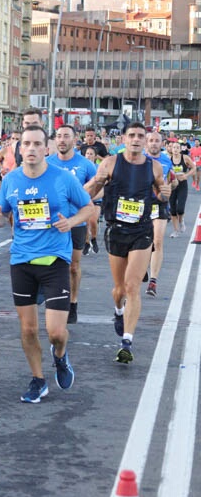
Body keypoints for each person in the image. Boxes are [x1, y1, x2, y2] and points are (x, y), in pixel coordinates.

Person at [0, 125, 93, 403]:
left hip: (55, 261)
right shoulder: (11, 180)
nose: (31, 149)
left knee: (57, 332)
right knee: (29, 330)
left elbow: (89, 207)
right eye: (26, 144)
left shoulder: (62, 178)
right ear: (19, 149)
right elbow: (5, 213)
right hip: (21, 260)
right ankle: (38, 380)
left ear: (46, 148)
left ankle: (60, 356)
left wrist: (70, 222)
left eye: (37, 144)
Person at [84, 123, 170, 365]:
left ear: (145, 140)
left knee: (133, 287)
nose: (136, 139)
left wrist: (166, 193)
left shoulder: (153, 166)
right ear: (124, 138)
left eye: (140, 136)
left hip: (142, 231)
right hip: (116, 230)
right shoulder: (111, 163)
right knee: (119, 289)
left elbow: (162, 195)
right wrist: (77, 198)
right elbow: (90, 190)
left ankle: (127, 342)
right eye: (131, 135)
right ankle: (119, 311)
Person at [47, 125, 97, 325]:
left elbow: (100, 188)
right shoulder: (47, 162)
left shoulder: (85, 164)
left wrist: (87, 198)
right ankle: (55, 301)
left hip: (76, 223)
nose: (61, 140)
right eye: (58, 136)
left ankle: (73, 302)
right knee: (51, 265)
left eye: (66, 136)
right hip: (51, 224)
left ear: (74, 140)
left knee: (73, 267)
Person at [144, 130, 176, 298]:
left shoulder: (165, 160)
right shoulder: (140, 158)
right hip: (141, 203)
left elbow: (171, 179)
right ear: (146, 142)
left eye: (157, 141)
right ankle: (142, 267)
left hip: (160, 203)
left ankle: (153, 280)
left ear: (162, 143)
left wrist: (172, 185)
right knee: (142, 239)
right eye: (151, 140)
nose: (154, 143)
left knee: (157, 240)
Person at [78, 126, 109, 255]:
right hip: (84, 196)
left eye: (91, 154)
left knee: (93, 221)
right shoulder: (81, 167)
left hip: (96, 197)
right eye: (87, 154)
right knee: (84, 222)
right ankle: (86, 242)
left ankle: (94, 238)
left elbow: (104, 181)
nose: (89, 156)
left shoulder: (98, 167)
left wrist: (95, 195)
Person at [167, 137, 194, 237]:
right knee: (173, 210)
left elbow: (194, 168)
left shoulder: (185, 158)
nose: (175, 149)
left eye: (177, 147)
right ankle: (176, 231)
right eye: (174, 147)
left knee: (180, 209)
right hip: (172, 185)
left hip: (182, 185)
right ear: (171, 149)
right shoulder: (168, 160)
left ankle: (181, 221)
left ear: (180, 149)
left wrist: (186, 175)